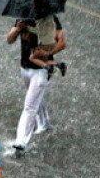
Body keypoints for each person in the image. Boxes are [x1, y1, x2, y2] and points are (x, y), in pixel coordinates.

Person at [7, 15, 66, 151]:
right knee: (35, 98)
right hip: (25, 68)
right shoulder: (22, 17)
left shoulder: (50, 19)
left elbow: (62, 43)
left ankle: (21, 140)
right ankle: (44, 123)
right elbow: (9, 39)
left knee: (29, 106)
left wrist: (45, 53)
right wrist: (17, 29)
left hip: (41, 70)